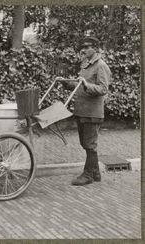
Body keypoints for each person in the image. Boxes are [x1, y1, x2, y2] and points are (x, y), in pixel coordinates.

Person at [57, 36, 111, 186]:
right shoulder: (86, 65)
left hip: (92, 112)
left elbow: (103, 89)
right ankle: (96, 173)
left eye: (88, 47)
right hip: (82, 111)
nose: (84, 50)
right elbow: (78, 85)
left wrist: (87, 85)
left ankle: (88, 175)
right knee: (86, 143)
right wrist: (65, 82)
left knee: (89, 144)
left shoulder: (101, 66)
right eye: (83, 47)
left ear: (96, 48)